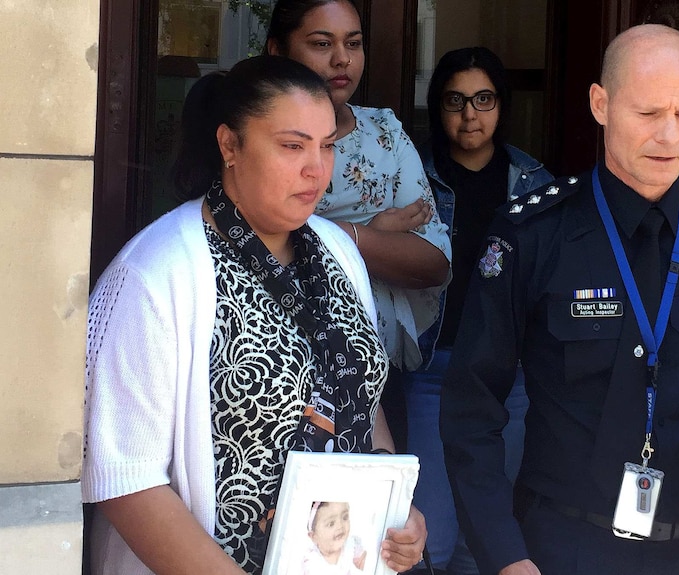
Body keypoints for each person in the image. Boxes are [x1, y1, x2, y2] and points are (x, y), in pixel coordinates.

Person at [439, 24, 679, 575]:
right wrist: (505, 555)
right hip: (563, 548)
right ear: (600, 104)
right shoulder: (533, 235)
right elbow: (471, 404)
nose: (669, 138)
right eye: (648, 114)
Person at [81, 55, 425, 575]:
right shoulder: (157, 274)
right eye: (292, 146)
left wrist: (394, 512)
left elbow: (361, 395)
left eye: (327, 145)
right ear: (229, 145)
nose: (317, 168)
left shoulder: (338, 253)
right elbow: (125, 479)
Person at [266, 0, 453, 451]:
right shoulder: (257, 139)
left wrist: (346, 233)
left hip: (376, 378)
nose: (341, 59)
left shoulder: (384, 133)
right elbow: (255, 245)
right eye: (321, 43)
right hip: (274, 382)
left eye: (353, 43)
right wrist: (379, 232)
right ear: (277, 50)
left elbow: (435, 262)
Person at [404, 47, 554, 575]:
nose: (470, 114)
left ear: (502, 105)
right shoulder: (412, 176)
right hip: (434, 371)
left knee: (486, 538)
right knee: (431, 539)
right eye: (455, 100)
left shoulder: (535, 183)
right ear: (437, 107)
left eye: (483, 99)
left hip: (508, 378)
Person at [301, 502, 365, 575]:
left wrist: (365, 560)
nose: (340, 526)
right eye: (331, 524)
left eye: (345, 517)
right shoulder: (312, 562)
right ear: (314, 537)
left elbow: (366, 560)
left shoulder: (351, 545)